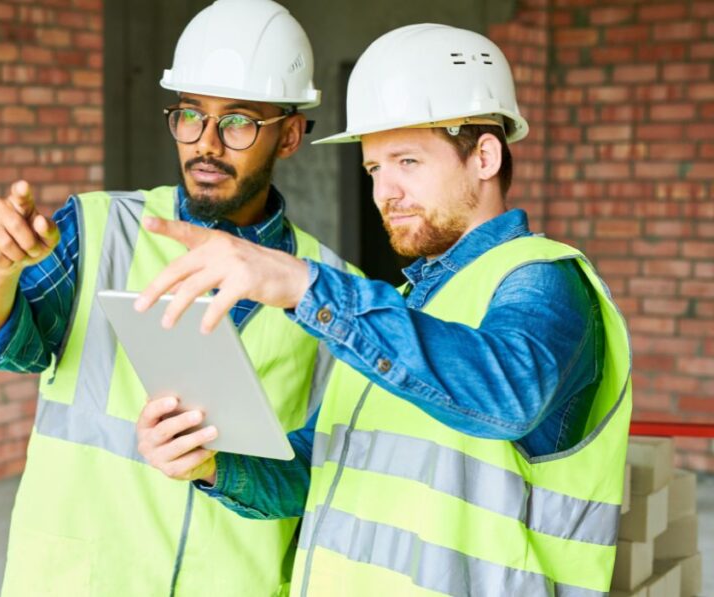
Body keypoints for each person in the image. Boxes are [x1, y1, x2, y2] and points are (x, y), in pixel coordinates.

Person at [136, 23, 631, 596]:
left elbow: (507, 395)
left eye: (408, 162)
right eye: (374, 169)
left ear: (485, 157)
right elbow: (312, 471)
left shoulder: (544, 280)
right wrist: (212, 465)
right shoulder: (399, 310)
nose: (384, 192)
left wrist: (301, 283)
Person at [0, 1, 354, 594]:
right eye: (190, 116)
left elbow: (316, 476)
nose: (206, 144)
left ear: (287, 136)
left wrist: (219, 471)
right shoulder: (101, 227)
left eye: (237, 122)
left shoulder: (330, 289)